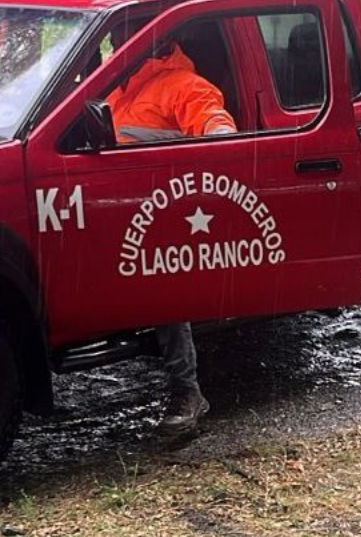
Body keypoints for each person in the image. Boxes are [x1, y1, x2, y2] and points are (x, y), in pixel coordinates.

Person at [106, 37, 236, 437]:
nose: (116, 42)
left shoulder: (183, 85)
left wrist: (211, 146)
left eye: (125, 33)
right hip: (113, 203)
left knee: (165, 292)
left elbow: (219, 128)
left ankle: (187, 392)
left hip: (162, 211)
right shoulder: (116, 80)